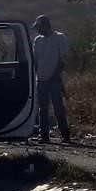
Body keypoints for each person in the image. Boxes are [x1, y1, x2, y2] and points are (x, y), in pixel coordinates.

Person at [32, 15, 70, 143]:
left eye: (39, 27)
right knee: (42, 109)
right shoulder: (38, 40)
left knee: (58, 107)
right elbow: (35, 61)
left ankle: (65, 135)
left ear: (45, 25)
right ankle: (44, 136)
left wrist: (56, 75)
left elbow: (64, 59)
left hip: (54, 79)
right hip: (41, 79)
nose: (38, 30)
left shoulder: (59, 38)